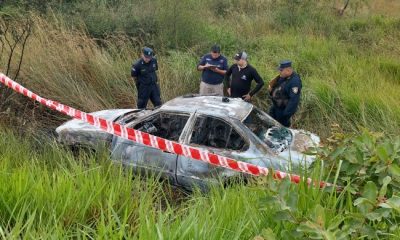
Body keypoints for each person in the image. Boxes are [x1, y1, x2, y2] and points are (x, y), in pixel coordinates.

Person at [268, 60, 302, 127]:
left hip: (282, 111)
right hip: (275, 107)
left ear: (288, 70)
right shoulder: (283, 77)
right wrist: (271, 89)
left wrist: (285, 115)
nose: (279, 72)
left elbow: (294, 101)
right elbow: (277, 87)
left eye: (281, 70)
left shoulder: (295, 82)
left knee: (279, 129)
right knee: (269, 124)